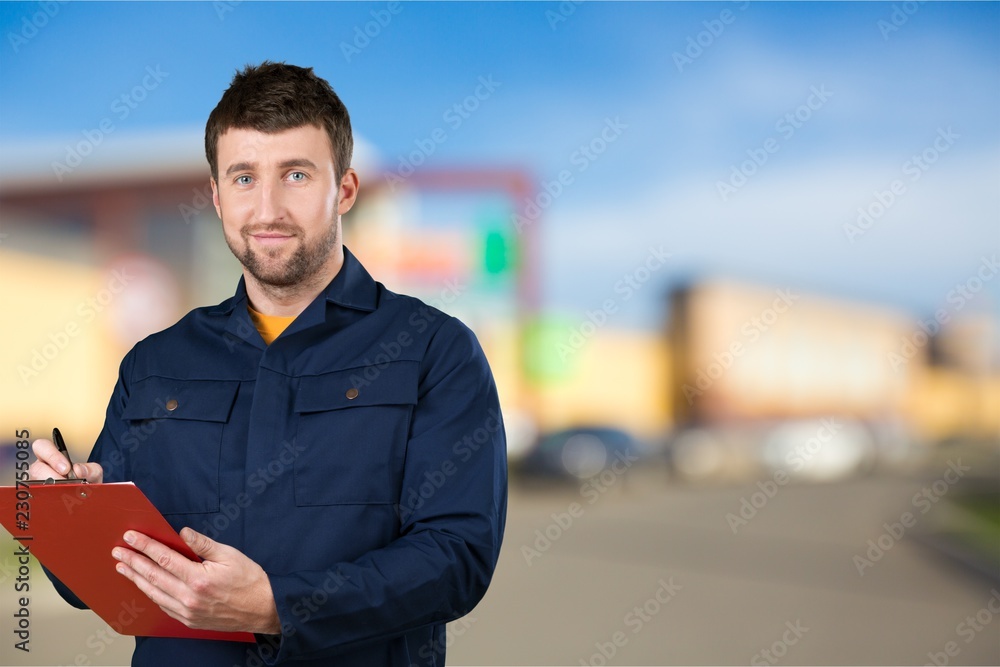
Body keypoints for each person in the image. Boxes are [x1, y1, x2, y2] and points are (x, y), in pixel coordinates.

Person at [30, 61, 508, 667]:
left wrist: (278, 606)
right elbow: (95, 586)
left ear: (346, 190)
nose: (268, 208)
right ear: (215, 194)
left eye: (297, 174)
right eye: (244, 177)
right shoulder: (154, 364)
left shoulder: (434, 351)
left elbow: (455, 558)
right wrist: (70, 518)